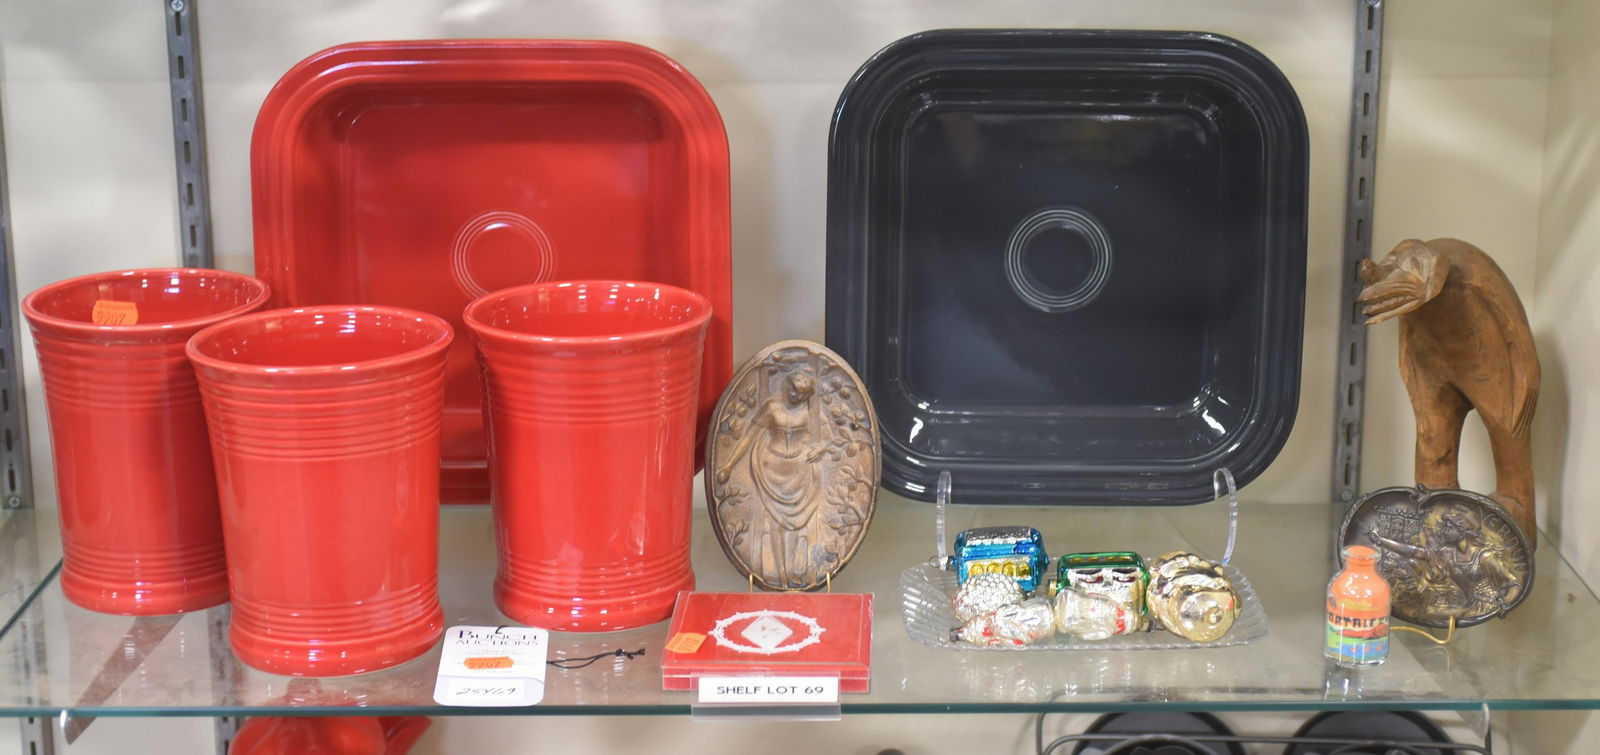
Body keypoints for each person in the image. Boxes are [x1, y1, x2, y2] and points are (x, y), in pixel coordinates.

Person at [715, 373, 827, 586]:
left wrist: (821, 448)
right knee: (777, 523)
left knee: (795, 522)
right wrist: (729, 465)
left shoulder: (812, 411)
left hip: (800, 470)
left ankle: (793, 569)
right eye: (793, 389)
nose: (795, 396)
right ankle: (780, 572)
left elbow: (828, 437)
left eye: (802, 394)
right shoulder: (772, 407)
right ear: (786, 385)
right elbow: (748, 436)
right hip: (772, 470)